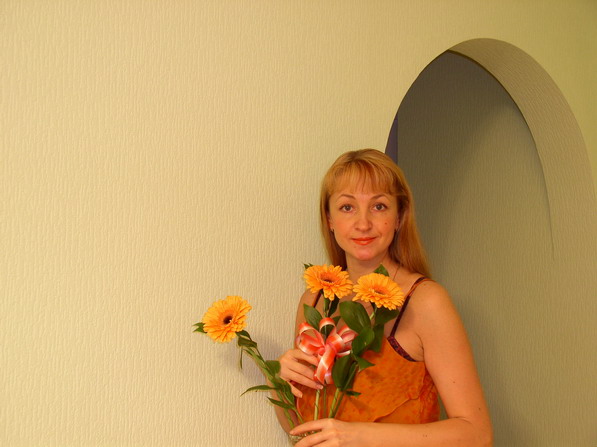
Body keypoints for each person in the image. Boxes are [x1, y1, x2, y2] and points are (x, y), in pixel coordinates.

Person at [276, 149, 492, 446]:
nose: (363, 223)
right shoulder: (314, 301)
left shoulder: (426, 301)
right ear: (329, 219)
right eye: (347, 207)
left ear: (399, 216)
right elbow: (302, 429)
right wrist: (279, 382)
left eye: (378, 206)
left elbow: (477, 434)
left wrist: (358, 435)